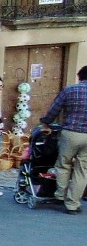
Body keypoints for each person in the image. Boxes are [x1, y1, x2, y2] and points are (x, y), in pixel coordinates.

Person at [39, 65, 87, 215]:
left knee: (63, 164)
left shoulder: (70, 90)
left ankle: (60, 195)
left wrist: (46, 122)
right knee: (82, 170)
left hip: (70, 133)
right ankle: (72, 204)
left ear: (79, 76)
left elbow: (55, 108)